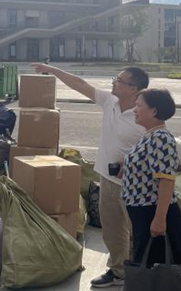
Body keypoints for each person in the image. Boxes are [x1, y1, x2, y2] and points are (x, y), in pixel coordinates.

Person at [31, 63, 148, 288]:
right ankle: (118, 272)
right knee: (113, 231)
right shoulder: (110, 101)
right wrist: (52, 70)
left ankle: (143, 275)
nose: (114, 82)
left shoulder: (144, 114)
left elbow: (155, 149)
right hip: (107, 178)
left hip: (134, 184)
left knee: (139, 231)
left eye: (119, 80)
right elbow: (80, 85)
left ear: (133, 89)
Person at [122, 88, 181, 267]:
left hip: (152, 211)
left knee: (155, 269)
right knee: (146, 266)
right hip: (142, 212)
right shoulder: (149, 135)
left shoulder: (161, 138)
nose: (134, 110)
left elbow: (166, 179)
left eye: (139, 106)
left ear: (154, 111)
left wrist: (159, 219)